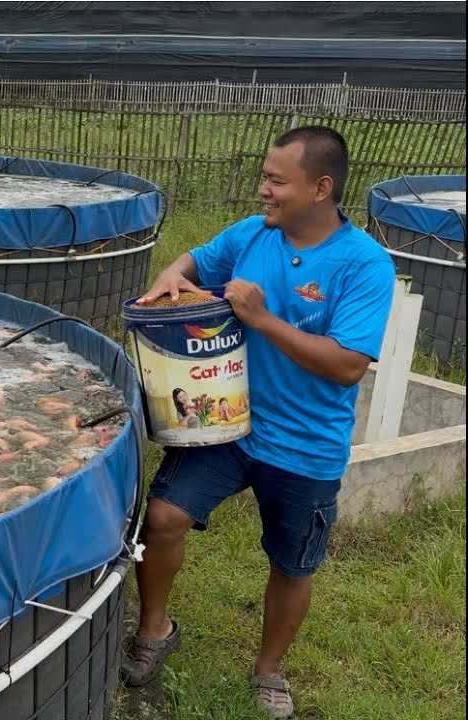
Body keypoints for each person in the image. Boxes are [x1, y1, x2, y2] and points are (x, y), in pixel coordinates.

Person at [122, 126, 395, 719]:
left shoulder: (364, 264)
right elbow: (200, 259)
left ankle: (268, 671)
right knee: (164, 516)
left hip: (306, 443)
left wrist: (263, 320)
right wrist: (173, 272)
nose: (262, 190)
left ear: (320, 188)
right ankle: (155, 628)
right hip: (228, 422)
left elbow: (348, 365)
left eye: (276, 180)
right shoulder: (253, 234)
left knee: (292, 563)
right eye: (264, 178)